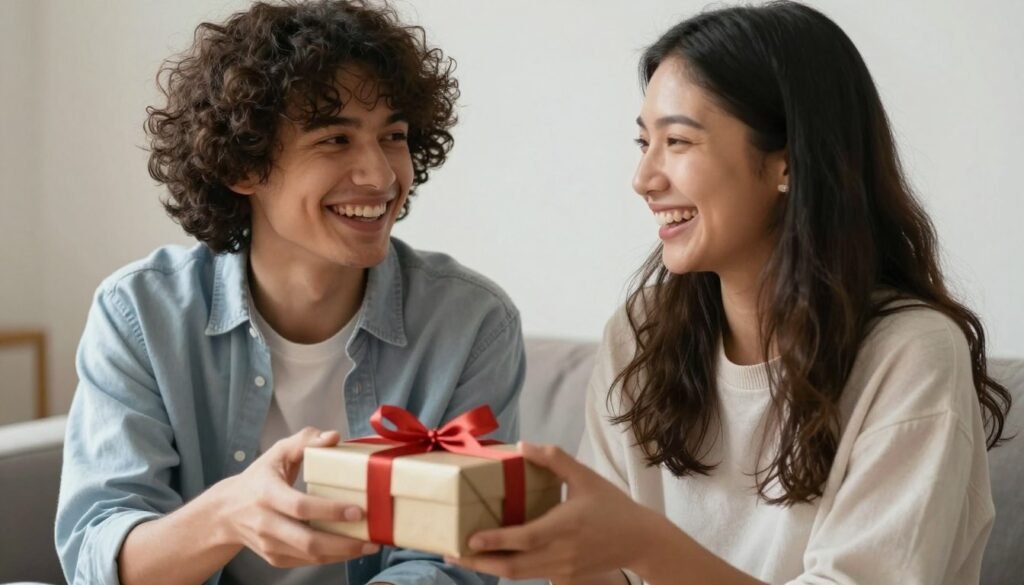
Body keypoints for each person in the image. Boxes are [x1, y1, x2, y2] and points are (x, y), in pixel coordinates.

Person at [447, 2, 1012, 584]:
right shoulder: (641, 335)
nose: (644, 179)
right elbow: (607, 569)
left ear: (785, 164)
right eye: (644, 143)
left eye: (679, 142)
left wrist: (644, 544)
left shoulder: (910, 355)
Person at [55, 2, 524, 584]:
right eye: (334, 139)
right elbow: (99, 559)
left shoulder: (471, 323)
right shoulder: (139, 315)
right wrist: (229, 515)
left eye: (394, 136)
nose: (380, 177)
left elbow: (453, 565)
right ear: (243, 166)